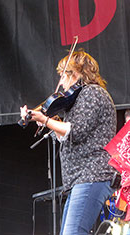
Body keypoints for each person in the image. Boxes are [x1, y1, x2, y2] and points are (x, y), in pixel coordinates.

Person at [20, 49, 117, 234]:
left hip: (92, 174)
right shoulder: (79, 99)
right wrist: (45, 121)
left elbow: (76, 131)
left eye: (64, 75)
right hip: (80, 178)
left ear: (77, 73)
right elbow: (67, 135)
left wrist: (46, 120)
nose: (62, 83)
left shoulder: (93, 93)